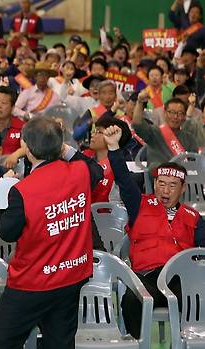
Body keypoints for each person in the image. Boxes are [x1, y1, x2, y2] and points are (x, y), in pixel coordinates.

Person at [0, 118, 104, 348]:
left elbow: (6, 232)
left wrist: (3, 191)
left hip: (32, 282)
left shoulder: (22, 190)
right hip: (71, 276)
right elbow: (97, 170)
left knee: (4, 340)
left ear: (28, 149)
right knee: (60, 342)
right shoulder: (80, 171)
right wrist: (61, 146)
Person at [102, 125, 205, 339]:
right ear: (155, 183)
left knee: (197, 298)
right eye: (161, 184)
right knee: (131, 301)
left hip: (179, 279)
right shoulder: (138, 204)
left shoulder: (194, 218)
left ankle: (185, 342)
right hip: (147, 277)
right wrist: (113, 148)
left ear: (183, 188)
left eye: (172, 186)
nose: (165, 191)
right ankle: (139, 343)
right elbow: (123, 179)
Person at [133, 94, 204, 166]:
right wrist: (139, 102)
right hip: (158, 175)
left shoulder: (190, 138)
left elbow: (194, 164)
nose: (175, 117)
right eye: (172, 112)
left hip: (182, 176)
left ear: (184, 116)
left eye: (180, 113)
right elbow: (137, 124)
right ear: (165, 113)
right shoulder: (154, 132)